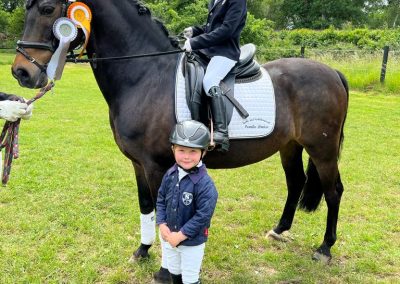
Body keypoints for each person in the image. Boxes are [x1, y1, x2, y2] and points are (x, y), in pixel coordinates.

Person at [155, 120, 218, 284]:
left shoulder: (205, 185)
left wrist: (181, 235)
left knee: (189, 278)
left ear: (203, 153)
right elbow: (161, 199)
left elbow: (203, 216)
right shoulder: (170, 174)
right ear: (173, 149)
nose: (186, 156)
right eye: (181, 150)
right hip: (169, 237)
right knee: (174, 272)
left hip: (191, 242)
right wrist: (161, 223)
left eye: (193, 151)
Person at [182, 0, 247, 151]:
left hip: (226, 53)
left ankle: (221, 133)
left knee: (210, 81)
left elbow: (227, 30)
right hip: (210, 52)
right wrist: (195, 31)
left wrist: (195, 43)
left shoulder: (237, 1)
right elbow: (212, 28)